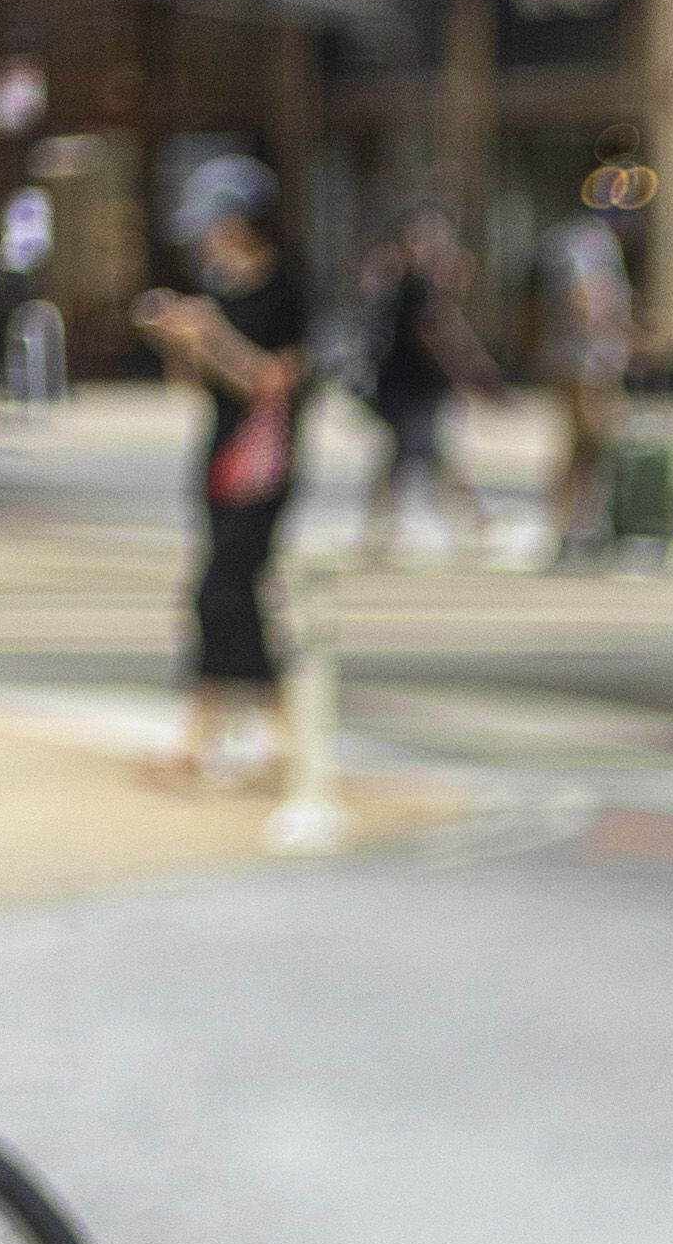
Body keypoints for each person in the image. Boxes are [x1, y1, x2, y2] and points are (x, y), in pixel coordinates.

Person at [133, 172, 311, 786]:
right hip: (222, 455)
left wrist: (211, 332)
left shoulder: (285, 290)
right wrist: (180, 342)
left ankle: (249, 735)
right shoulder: (221, 292)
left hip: (265, 461)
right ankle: (243, 737)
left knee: (223, 590)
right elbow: (199, 387)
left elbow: (270, 380)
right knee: (226, 595)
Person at [353, 202, 498, 555]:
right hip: (404, 386)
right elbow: (433, 334)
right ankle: (468, 519)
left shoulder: (422, 285)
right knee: (420, 457)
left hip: (418, 387)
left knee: (413, 457)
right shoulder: (408, 285)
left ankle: (384, 527)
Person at [532, 199, 635, 565]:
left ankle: (578, 523)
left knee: (588, 448)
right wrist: (604, 332)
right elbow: (582, 299)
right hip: (584, 361)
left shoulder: (585, 243)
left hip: (593, 359)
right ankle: (569, 525)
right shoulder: (589, 244)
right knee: (587, 443)